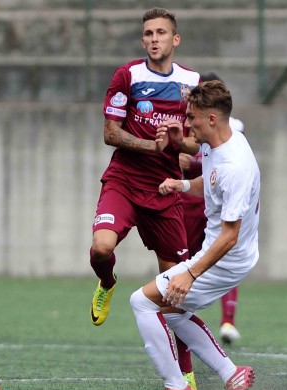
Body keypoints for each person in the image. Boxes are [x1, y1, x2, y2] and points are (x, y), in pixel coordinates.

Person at [129, 79, 260, 390]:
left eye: (192, 118)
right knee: (172, 310)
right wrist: (183, 184)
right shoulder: (221, 141)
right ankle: (232, 375)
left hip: (226, 257)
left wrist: (189, 275)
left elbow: (229, 236)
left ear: (212, 119)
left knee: (142, 302)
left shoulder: (235, 166)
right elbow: (211, 181)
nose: (187, 123)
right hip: (222, 251)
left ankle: (177, 388)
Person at [89, 7, 199, 327]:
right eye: (148, 34)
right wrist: (153, 146)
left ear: (175, 39)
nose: (154, 39)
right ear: (142, 41)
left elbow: (196, 145)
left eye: (161, 32)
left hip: (164, 188)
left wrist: (179, 143)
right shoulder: (128, 76)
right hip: (124, 180)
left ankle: (183, 360)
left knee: (174, 288)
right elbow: (110, 133)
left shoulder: (192, 82)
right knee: (101, 247)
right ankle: (107, 282)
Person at [183, 72, 245, 345]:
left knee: (221, 256)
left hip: (213, 203)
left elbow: (223, 163)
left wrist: (191, 162)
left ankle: (227, 321)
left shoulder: (233, 129)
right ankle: (186, 316)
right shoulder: (187, 122)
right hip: (189, 201)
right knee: (186, 259)